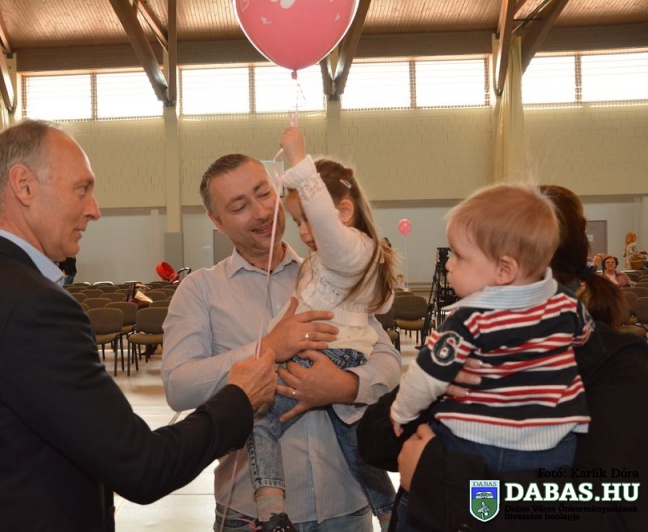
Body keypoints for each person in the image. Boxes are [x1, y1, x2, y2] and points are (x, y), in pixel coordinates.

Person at [0, 119, 277, 532]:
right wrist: (239, 397)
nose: (94, 210)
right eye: (81, 189)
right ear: (23, 186)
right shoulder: (31, 305)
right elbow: (143, 466)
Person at [359, 185, 648, 531]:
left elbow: (611, 505)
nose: (450, 265)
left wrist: (439, 478)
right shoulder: (470, 337)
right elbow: (373, 441)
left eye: (462, 256)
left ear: (505, 270)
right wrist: (432, 387)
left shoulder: (616, 361)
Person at [161, 149, 402, 531]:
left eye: (264, 194)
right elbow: (179, 387)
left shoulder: (329, 271)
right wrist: (269, 347)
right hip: (249, 514)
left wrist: (344, 385)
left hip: (345, 508)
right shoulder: (200, 290)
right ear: (216, 220)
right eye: (239, 205)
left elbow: (388, 362)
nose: (261, 212)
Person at [244, 127, 398, 530]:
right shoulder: (333, 262)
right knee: (355, 445)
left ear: (342, 213)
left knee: (259, 422)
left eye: (308, 219)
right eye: (297, 221)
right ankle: (390, 513)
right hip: (338, 355)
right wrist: (268, 348)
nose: (303, 231)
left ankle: (271, 513)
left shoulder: (348, 250)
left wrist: (300, 162)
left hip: (325, 354)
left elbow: (327, 226)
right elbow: (296, 314)